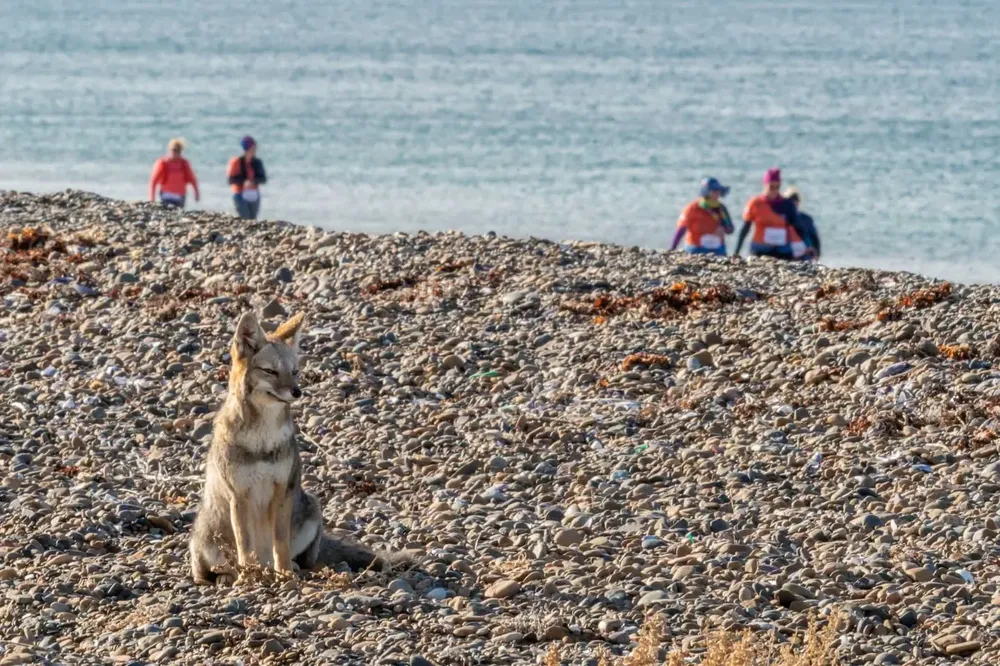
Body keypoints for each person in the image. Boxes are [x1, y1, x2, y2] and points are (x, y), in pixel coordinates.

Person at [734, 168, 811, 260]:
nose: (774, 190)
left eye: (777, 187)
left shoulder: (787, 205)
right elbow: (745, 229)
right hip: (760, 247)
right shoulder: (755, 203)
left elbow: (799, 228)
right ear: (765, 185)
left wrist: (808, 246)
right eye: (771, 187)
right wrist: (736, 251)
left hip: (782, 249)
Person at [671, 177, 734, 255]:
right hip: (696, 248)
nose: (717, 194)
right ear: (706, 192)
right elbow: (681, 229)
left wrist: (724, 229)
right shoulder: (693, 208)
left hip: (718, 249)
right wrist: (673, 249)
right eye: (714, 191)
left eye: (718, 191)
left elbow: (730, 229)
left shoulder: (721, 208)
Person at [148, 138, 199, 208]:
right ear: (169, 150)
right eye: (174, 150)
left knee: (178, 214)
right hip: (166, 195)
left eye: (178, 151)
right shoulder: (162, 163)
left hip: (180, 196)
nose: (175, 153)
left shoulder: (184, 163)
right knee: (168, 214)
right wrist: (152, 198)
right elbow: (153, 181)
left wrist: (196, 193)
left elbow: (193, 180)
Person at [228, 135, 267, 219]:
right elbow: (231, 180)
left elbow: (263, 179)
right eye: (252, 148)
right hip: (240, 194)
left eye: (255, 148)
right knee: (244, 218)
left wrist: (253, 181)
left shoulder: (257, 162)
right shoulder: (236, 162)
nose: (254, 151)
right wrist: (244, 182)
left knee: (253, 219)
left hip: (254, 194)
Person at [784, 187, 821, 260]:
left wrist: (817, 254)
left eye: (795, 199)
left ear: (798, 202)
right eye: (790, 199)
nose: (793, 202)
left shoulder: (806, 219)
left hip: (805, 254)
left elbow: (815, 238)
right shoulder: (781, 218)